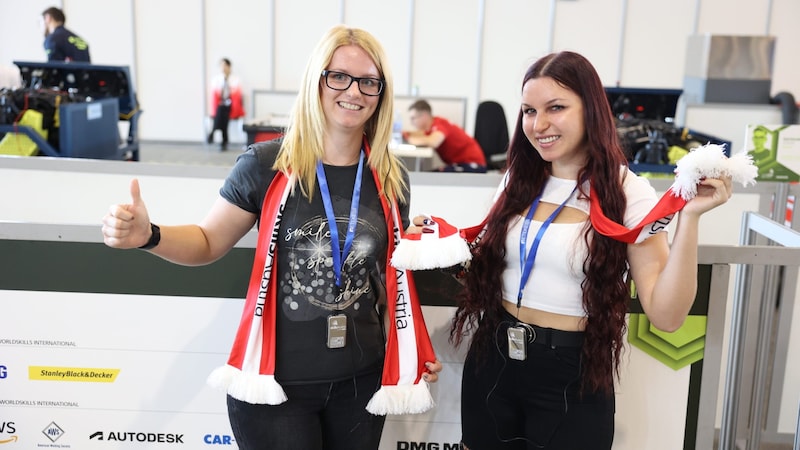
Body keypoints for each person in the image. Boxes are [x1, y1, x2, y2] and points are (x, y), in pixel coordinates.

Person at [101, 25, 442, 450]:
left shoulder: (392, 178)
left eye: (368, 81)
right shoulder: (266, 164)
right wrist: (149, 235)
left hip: (361, 382)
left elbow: (387, 283)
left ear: (381, 93)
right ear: (316, 79)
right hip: (276, 387)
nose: (353, 91)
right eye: (338, 76)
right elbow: (208, 241)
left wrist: (413, 350)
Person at [416, 51, 733, 449]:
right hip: (493, 361)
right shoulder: (519, 179)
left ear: (591, 111)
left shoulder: (627, 191)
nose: (539, 124)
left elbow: (667, 316)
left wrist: (691, 220)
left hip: (570, 376)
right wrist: (429, 236)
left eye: (556, 108)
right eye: (529, 111)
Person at [403, 99, 487, 172]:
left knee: (431, 176)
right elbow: (419, 134)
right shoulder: (432, 128)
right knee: (430, 175)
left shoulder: (439, 125)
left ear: (424, 116)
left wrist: (410, 139)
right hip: (463, 164)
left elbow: (434, 142)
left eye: (413, 118)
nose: (411, 122)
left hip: (473, 165)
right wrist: (406, 134)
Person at [208, 58, 245, 151]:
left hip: (232, 106)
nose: (223, 68)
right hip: (220, 105)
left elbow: (237, 95)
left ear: (229, 66)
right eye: (221, 65)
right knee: (221, 111)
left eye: (225, 65)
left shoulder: (236, 79)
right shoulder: (216, 79)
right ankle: (224, 141)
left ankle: (213, 132)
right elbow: (214, 95)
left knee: (222, 112)